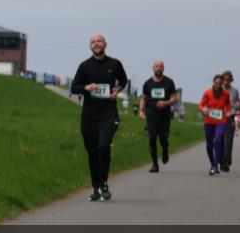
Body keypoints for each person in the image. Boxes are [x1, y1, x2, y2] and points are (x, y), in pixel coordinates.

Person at [70, 34, 129, 201]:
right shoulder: (84, 66)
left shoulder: (115, 64)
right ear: (90, 46)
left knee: (103, 147)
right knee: (92, 152)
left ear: (105, 44)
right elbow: (74, 88)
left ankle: (104, 184)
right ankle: (96, 188)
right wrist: (87, 87)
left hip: (108, 114)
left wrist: (116, 91)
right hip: (89, 116)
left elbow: (123, 80)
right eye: (93, 42)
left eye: (99, 41)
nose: (96, 44)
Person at [138, 60, 178, 173]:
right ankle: (155, 164)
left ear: (163, 68)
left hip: (165, 114)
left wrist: (165, 103)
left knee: (163, 138)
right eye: (156, 66)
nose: (159, 68)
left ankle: (165, 149)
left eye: (161, 66)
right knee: (152, 138)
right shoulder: (147, 83)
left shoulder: (169, 82)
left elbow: (174, 98)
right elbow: (143, 98)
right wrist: (141, 111)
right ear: (153, 68)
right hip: (151, 113)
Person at [198, 74, 231, 175]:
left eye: (220, 83)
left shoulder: (225, 94)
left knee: (217, 140)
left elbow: (228, 104)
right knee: (209, 145)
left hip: (221, 121)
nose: (218, 85)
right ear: (213, 82)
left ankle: (216, 165)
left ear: (222, 84)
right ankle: (213, 164)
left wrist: (228, 112)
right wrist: (203, 109)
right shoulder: (207, 93)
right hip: (209, 121)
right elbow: (201, 104)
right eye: (216, 83)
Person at [220, 70, 240, 172]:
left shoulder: (235, 91)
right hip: (218, 118)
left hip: (230, 117)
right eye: (224, 79)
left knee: (228, 141)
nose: (226, 82)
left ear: (231, 80)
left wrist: (237, 105)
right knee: (219, 141)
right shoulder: (217, 89)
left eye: (228, 80)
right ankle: (221, 160)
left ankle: (226, 161)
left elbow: (238, 102)